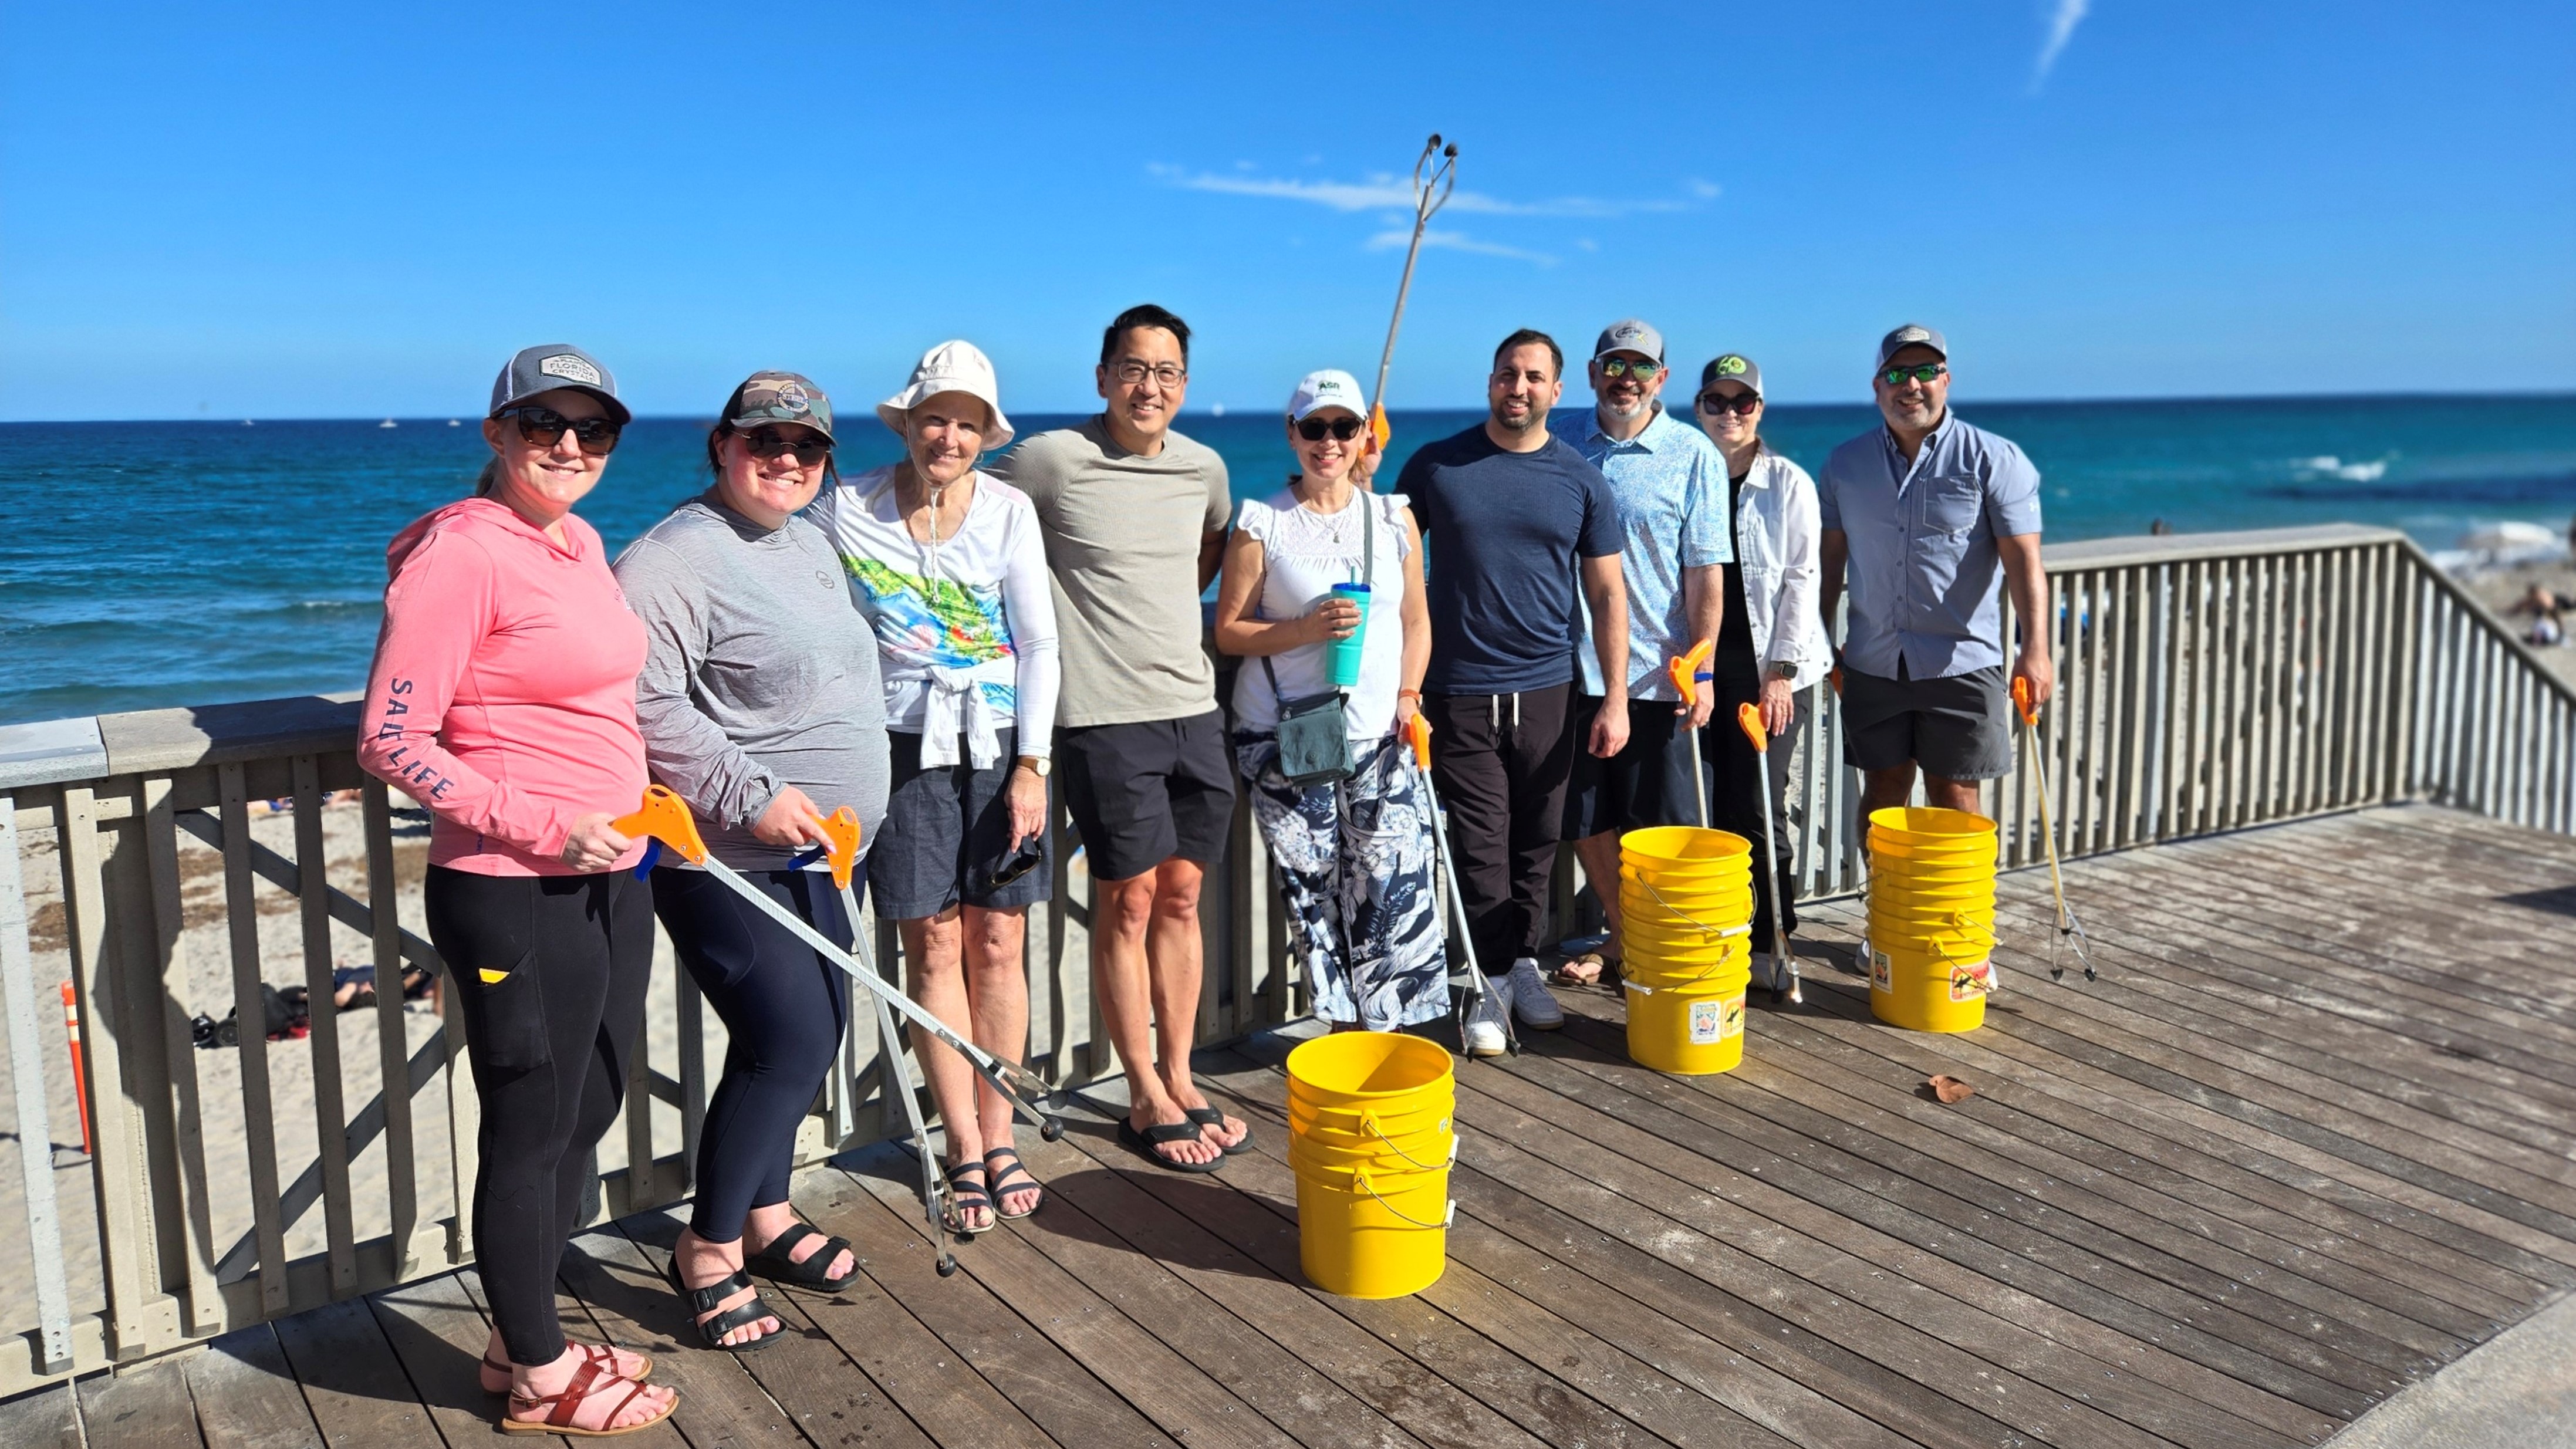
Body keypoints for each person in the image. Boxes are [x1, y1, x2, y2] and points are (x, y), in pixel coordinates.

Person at [357, 344, 676, 1436]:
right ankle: (538, 1370)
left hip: (612, 871)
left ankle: (515, 1327)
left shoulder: (578, 540)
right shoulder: (459, 553)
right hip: (511, 882)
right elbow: (391, 737)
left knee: (593, 1098)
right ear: (496, 432)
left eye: (594, 430)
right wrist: (547, 822)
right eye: (546, 425)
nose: (572, 447)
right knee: (532, 1121)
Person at [613, 371, 890, 1350]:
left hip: (821, 854)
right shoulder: (668, 560)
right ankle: (709, 1246)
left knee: (815, 1025)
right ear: (720, 443)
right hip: (722, 857)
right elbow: (645, 702)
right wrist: (748, 793)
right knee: (790, 1041)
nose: (786, 460)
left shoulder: (808, 537)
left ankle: (766, 1213)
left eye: (806, 447)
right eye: (763, 440)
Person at [987, 305, 1245, 1171]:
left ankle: (1181, 1072)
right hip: (1101, 718)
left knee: (1181, 897)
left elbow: (1207, 552)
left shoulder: (1204, 467)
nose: (1151, 386)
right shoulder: (1050, 459)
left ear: (1185, 385)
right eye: (1134, 369)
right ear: (1102, 376)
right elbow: (967, 506)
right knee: (1128, 901)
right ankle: (1142, 1092)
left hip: (1195, 707)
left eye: (1168, 372)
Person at [816, 341, 1059, 1227]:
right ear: (908, 423)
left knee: (999, 942)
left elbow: (1039, 644)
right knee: (932, 947)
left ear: (985, 434)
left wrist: (1032, 765)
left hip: (998, 749)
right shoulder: (848, 505)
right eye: (934, 418)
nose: (947, 436)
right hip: (900, 746)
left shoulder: (1008, 511)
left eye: (965, 422)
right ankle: (961, 1143)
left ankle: (1002, 1133)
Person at [1399, 329, 1628, 1058]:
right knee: (1479, 843)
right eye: (1507, 374)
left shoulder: (1582, 479)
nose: (1518, 387)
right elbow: (1384, 547)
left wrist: (1615, 695)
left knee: (1536, 843)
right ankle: (1488, 983)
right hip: (1459, 688)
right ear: (1490, 381)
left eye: (1533, 377)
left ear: (1557, 391)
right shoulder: (1438, 466)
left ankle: (1524, 965)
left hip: (1552, 688)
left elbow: (1607, 592)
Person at [1213, 369, 1441, 1033]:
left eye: (1344, 427)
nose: (1329, 441)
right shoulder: (1262, 523)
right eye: (1314, 427)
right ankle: (1341, 1032)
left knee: (1389, 887)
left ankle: (1389, 1029)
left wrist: (1408, 693)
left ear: (1365, 434)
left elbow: (1418, 622)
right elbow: (1229, 630)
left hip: (1381, 734)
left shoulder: (1393, 517)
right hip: (1288, 736)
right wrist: (1304, 630)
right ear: (1292, 435)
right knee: (1312, 894)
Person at [1818, 325, 2052, 826]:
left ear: (1946, 380)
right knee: (1882, 795)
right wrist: (1819, 645)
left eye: (1926, 371)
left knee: (1954, 798)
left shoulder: (1994, 457)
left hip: (1962, 663)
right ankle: (1883, 902)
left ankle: (1956, 907)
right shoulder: (1844, 463)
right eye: (1897, 373)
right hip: (1872, 661)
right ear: (1876, 386)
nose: (1911, 385)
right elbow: (1827, 564)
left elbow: (2024, 563)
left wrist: (2035, 651)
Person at [1557, 320, 1730, 988]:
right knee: (1587, 815)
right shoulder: (1562, 440)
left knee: (1665, 823)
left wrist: (1704, 666)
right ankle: (1625, 935)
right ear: (1594, 372)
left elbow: (1706, 572)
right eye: (1612, 364)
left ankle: (1678, 948)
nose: (1624, 378)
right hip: (1572, 668)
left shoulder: (1693, 455)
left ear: (1661, 378)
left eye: (1640, 367)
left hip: (1661, 672)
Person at [1693, 354, 1834, 990]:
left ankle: (1773, 936)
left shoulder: (1789, 483)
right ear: (1698, 408)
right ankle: (1720, 928)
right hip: (1700, 673)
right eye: (1716, 403)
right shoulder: (1688, 474)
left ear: (1760, 409)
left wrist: (1779, 674)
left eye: (1741, 403)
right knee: (1708, 805)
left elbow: (1805, 580)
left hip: (1772, 670)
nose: (1729, 414)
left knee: (1756, 803)